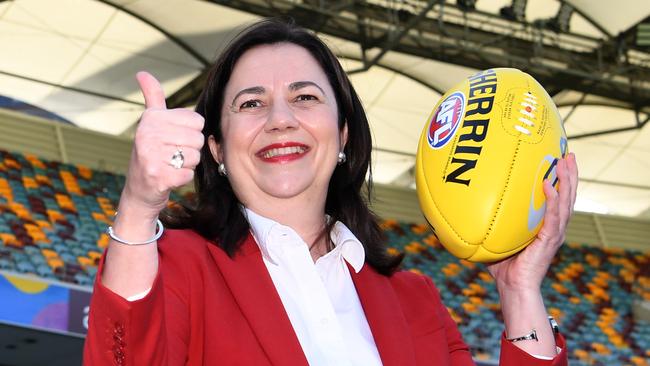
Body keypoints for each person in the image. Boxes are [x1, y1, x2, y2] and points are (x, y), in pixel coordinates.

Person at [83, 18, 578, 366]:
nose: (281, 120)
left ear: (343, 133)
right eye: (251, 103)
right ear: (215, 147)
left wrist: (518, 291)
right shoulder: (179, 266)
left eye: (305, 97)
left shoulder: (414, 301)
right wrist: (138, 208)